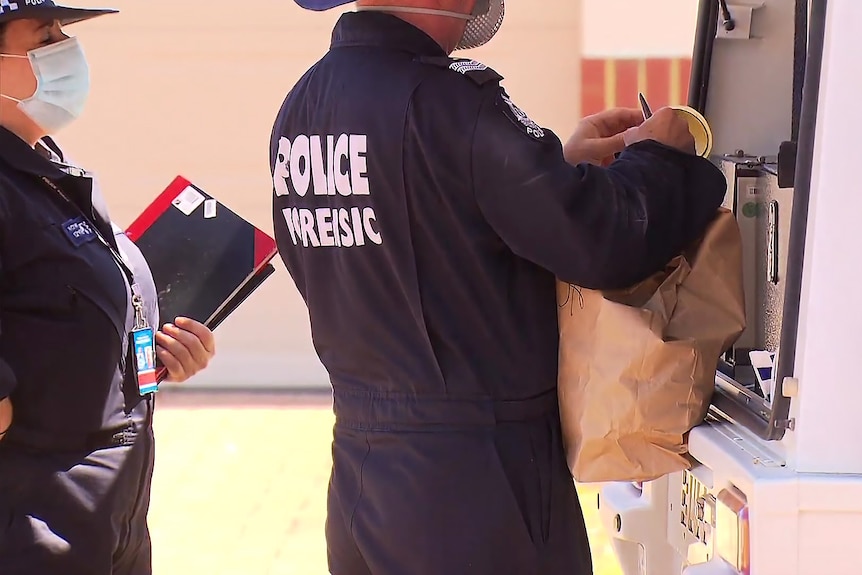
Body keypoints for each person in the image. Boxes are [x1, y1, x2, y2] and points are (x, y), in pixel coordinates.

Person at [271, 1, 727, 573]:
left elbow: (427, 225)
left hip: (364, 480)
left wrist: (558, 167)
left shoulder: (303, 108)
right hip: (476, 486)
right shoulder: (452, 102)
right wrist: (659, 154)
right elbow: (604, 240)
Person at [0, 3, 216, 573]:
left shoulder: (45, 168)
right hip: (33, 531)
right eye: (44, 34)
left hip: (110, 521)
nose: (64, 46)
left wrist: (150, 359)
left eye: (62, 31)